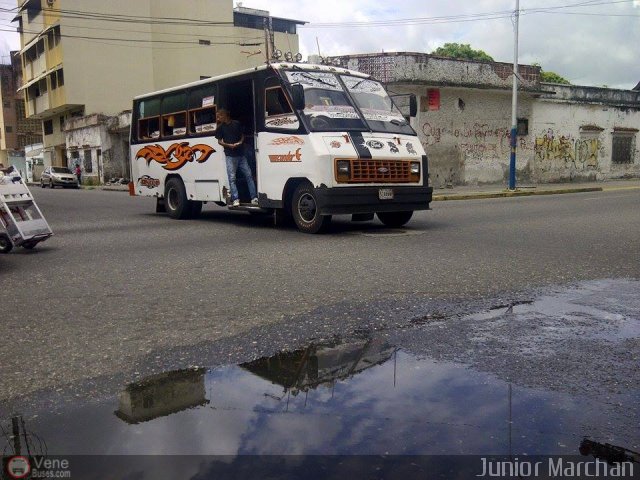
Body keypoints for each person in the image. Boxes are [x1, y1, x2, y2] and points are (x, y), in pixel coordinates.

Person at [214, 109, 257, 207]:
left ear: (225, 115)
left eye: (219, 116)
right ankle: (235, 199)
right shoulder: (220, 128)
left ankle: (254, 197)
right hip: (230, 155)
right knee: (232, 178)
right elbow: (219, 141)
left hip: (241, 154)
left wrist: (240, 142)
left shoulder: (236, 124)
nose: (218, 118)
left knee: (249, 175)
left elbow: (242, 136)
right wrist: (228, 145)